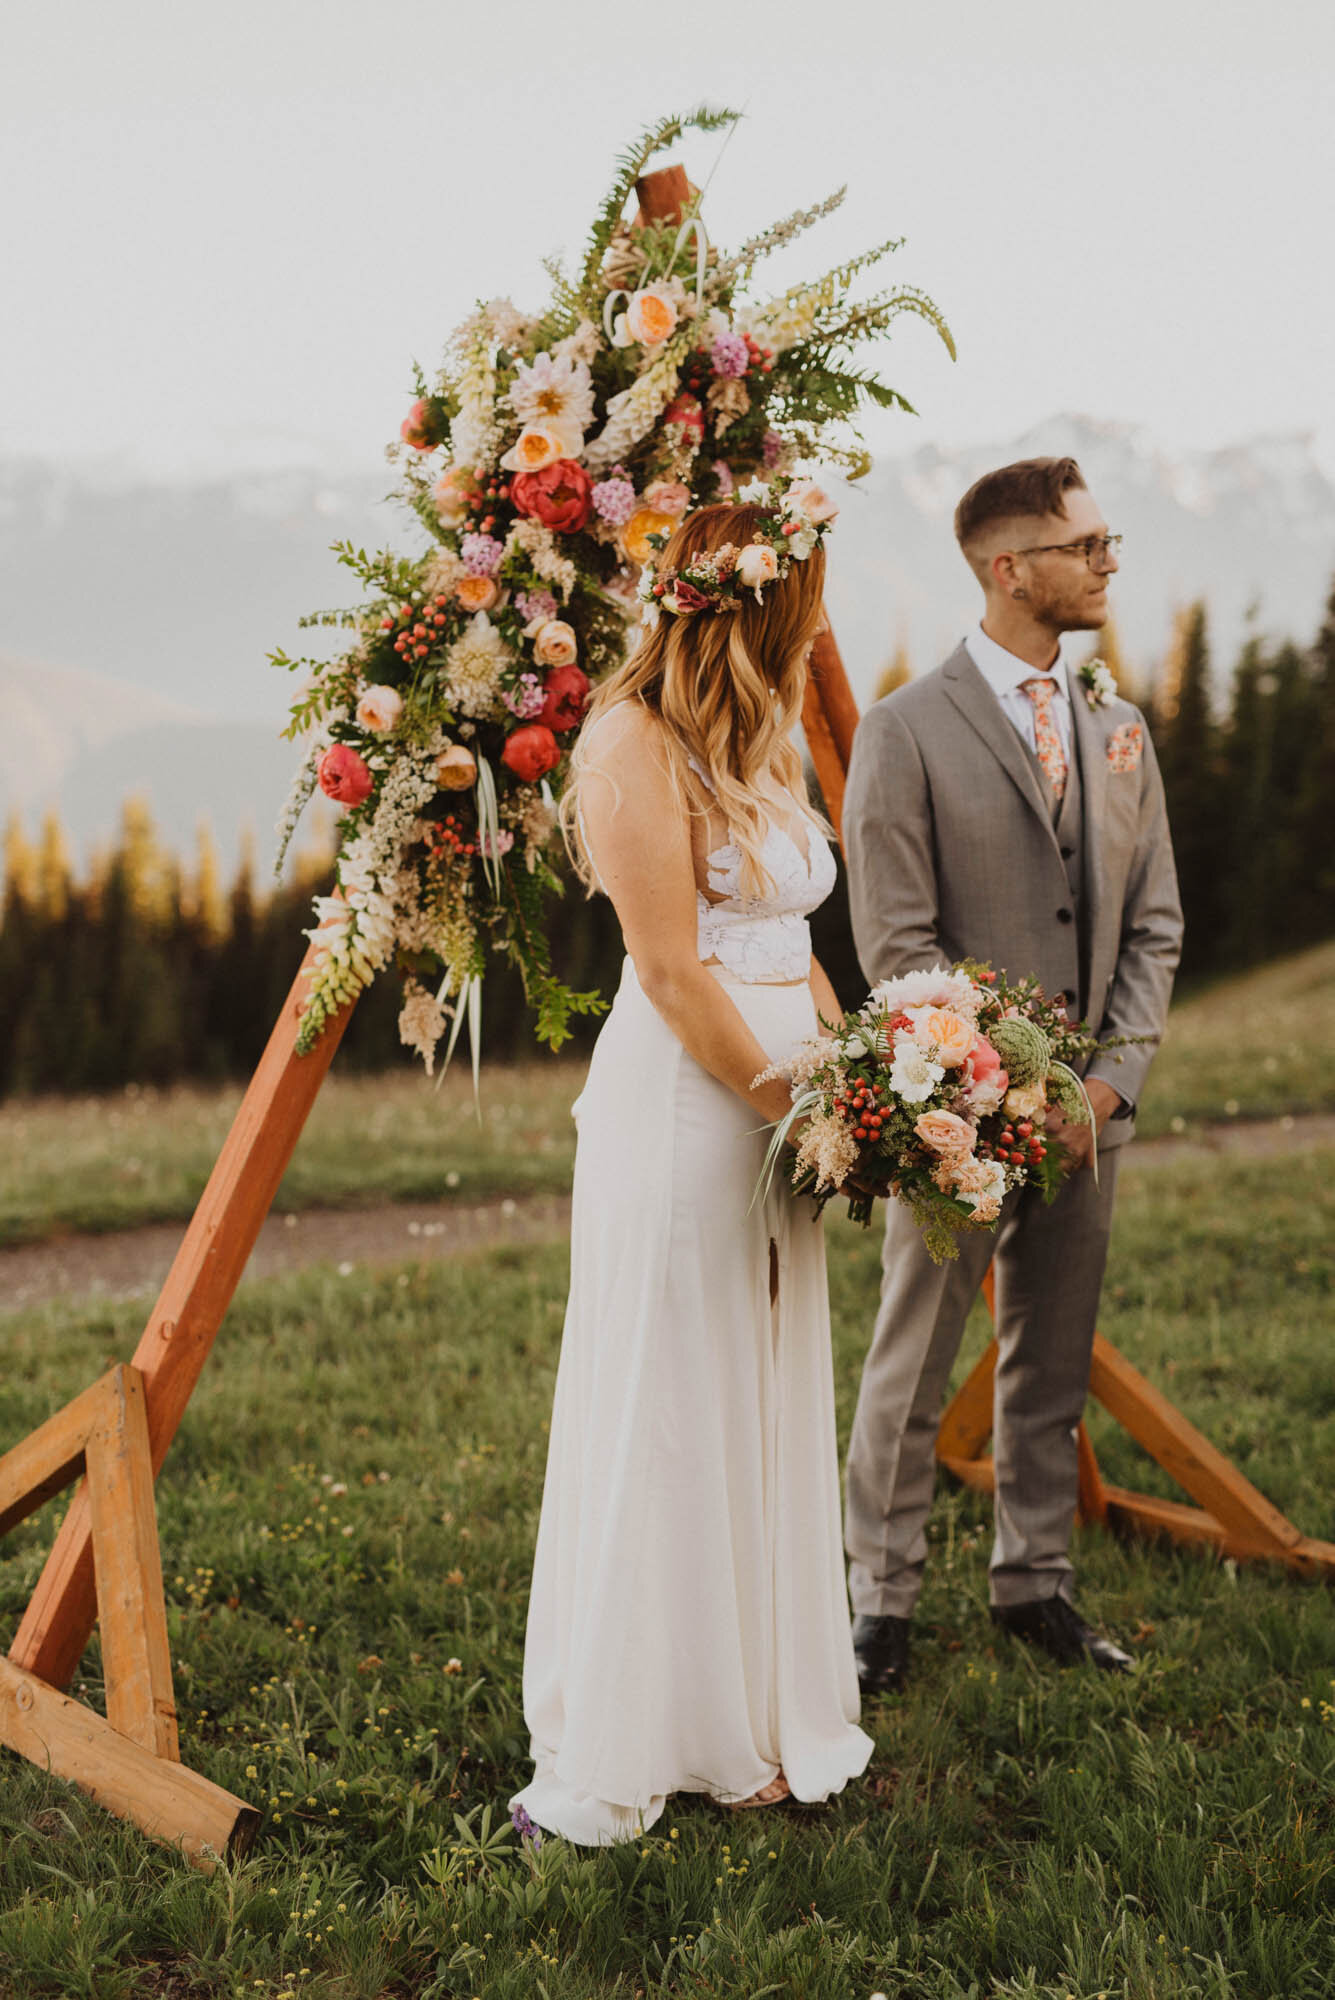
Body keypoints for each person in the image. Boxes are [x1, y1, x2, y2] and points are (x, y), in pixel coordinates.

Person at [509, 492, 872, 1845]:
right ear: (760, 601)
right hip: (690, 1110)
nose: (823, 620)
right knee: (673, 1392)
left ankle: (758, 1712)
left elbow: (795, 955)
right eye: (809, 596)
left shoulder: (756, 739)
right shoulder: (626, 744)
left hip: (787, 1114)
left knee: (760, 1386)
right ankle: (638, 1729)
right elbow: (669, 970)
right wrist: (792, 1107)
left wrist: (868, 1092)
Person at [840, 455, 1183, 1694]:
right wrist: (997, 1095)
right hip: (960, 1125)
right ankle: (877, 1606)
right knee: (912, 1358)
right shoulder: (903, 731)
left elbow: (1153, 927)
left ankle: (1035, 1580)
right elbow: (896, 947)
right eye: (1085, 543)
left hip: (1093, 1124)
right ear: (1010, 567)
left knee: (1053, 1351)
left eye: (1107, 538)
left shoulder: (1121, 728)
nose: (1107, 559)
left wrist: (1108, 1088)